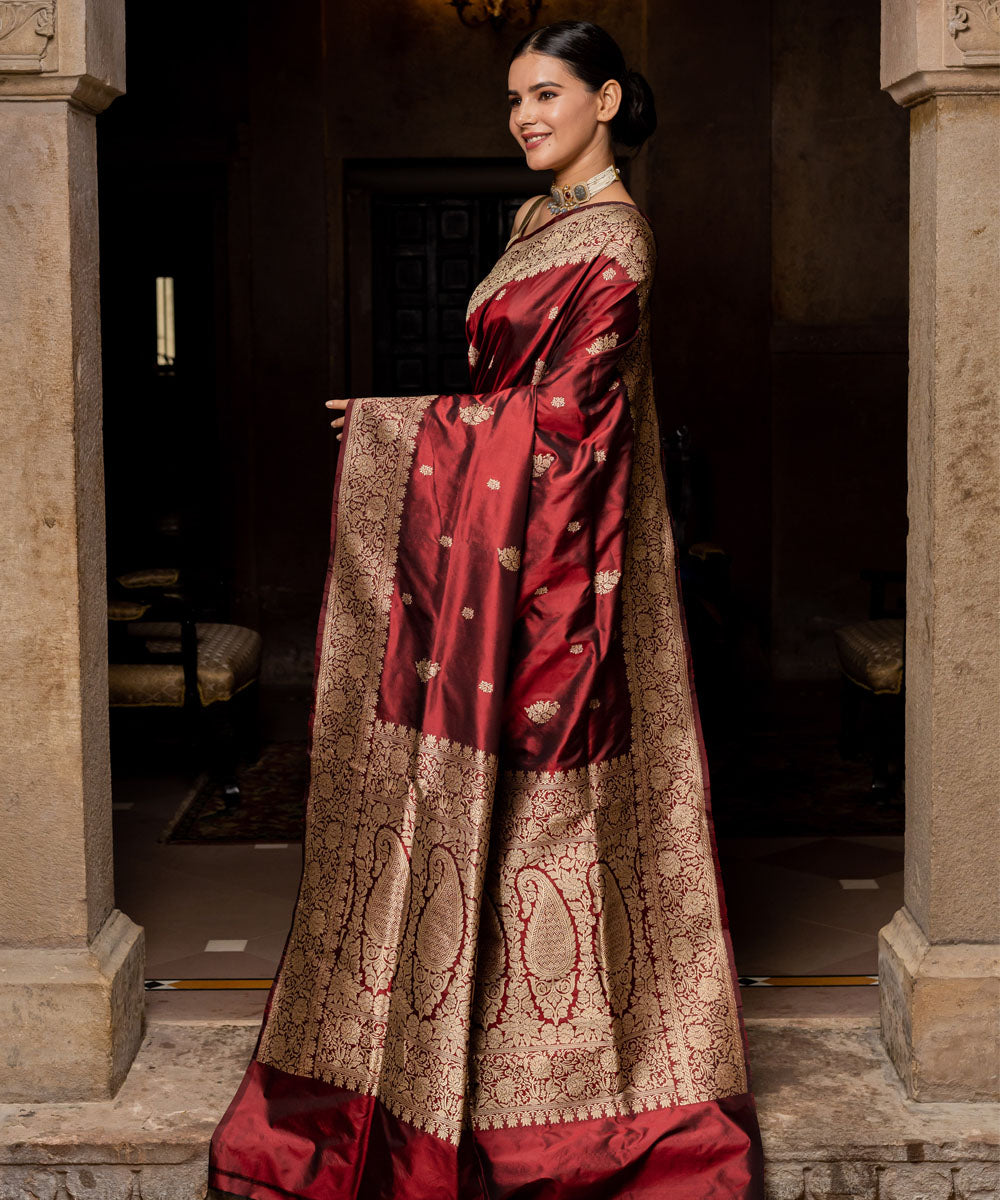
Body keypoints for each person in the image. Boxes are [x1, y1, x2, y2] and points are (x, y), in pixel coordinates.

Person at [208, 18, 765, 1200]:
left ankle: (550, 1101)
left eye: (547, 93)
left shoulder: (615, 242)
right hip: (497, 550)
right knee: (470, 811)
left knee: (539, 815)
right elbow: (510, 401)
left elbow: (560, 426)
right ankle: (441, 1054)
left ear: (607, 99)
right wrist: (430, 430)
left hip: (557, 567)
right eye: (513, 97)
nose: (523, 116)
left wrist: (393, 430)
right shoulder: (536, 225)